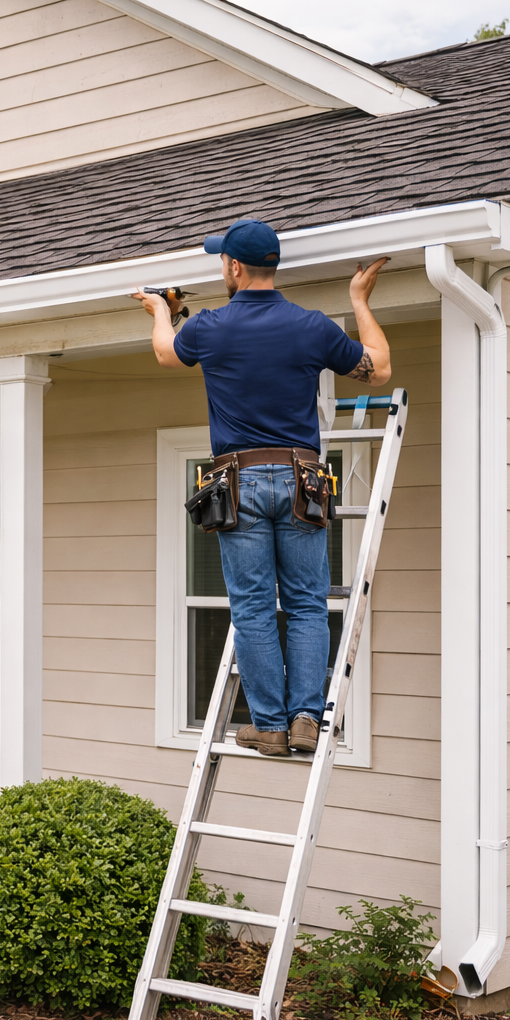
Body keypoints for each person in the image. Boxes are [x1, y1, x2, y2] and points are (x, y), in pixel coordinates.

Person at [135, 219, 392, 757]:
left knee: (252, 607)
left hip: (239, 479)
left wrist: (162, 311)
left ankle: (270, 726)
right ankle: (305, 721)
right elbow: (379, 369)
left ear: (232, 267)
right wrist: (359, 299)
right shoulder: (312, 326)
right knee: (306, 604)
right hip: (303, 477)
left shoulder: (209, 326)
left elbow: (166, 352)